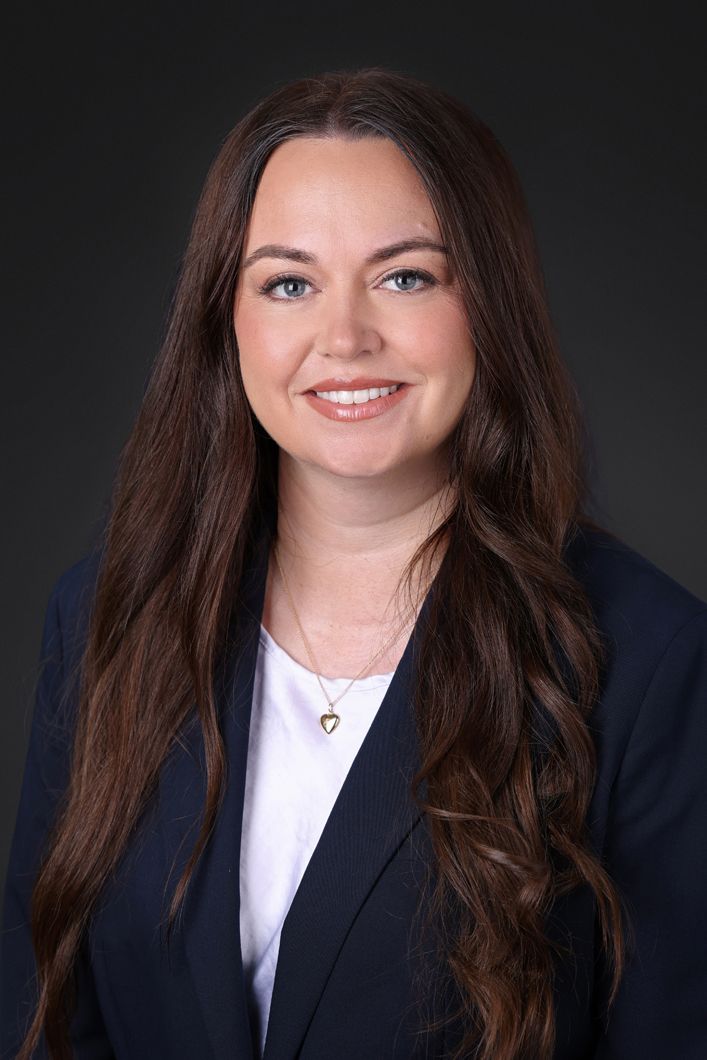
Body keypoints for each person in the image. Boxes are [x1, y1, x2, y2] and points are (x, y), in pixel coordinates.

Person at [1, 66, 706, 1060]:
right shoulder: (109, 619)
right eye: (288, 282)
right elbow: (39, 1018)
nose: (343, 337)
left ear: (486, 303)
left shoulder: (649, 666)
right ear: (226, 320)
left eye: (403, 275)